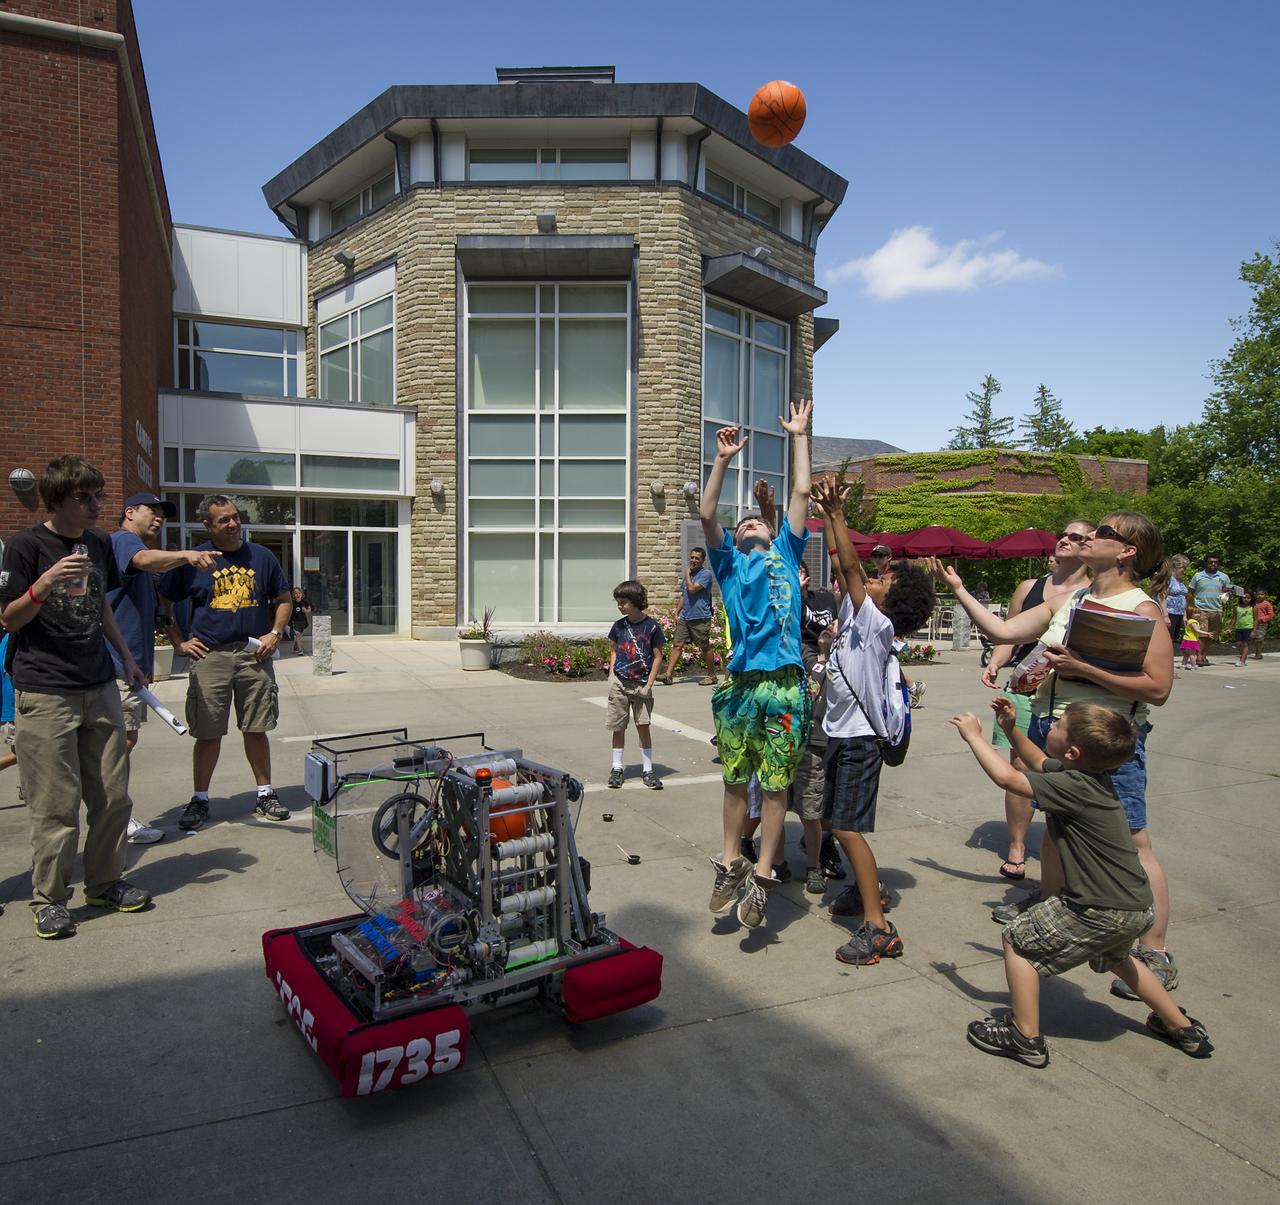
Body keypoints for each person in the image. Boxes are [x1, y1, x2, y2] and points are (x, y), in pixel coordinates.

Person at [930, 512, 1179, 999]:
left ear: (1126, 552)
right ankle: (1051, 913)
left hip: (1106, 739)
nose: (1088, 538)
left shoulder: (1141, 608)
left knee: (1133, 839)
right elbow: (1004, 633)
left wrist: (1083, 667)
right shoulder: (1074, 598)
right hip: (1055, 731)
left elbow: (1158, 688)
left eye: (1102, 533)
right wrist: (958, 587)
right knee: (1057, 826)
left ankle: (1155, 951)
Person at [951, 699, 1211, 1067]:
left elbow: (1008, 778)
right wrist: (1011, 729)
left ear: (1072, 750)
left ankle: (1024, 1035)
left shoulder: (1073, 785)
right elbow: (1038, 761)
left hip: (1097, 907)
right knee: (1120, 958)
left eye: (1058, 726)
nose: (1052, 727)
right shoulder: (1089, 776)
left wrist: (975, 737)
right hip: (1135, 905)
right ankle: (1181, 1027)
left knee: (1018, 940)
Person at [0, 456, 151, 938]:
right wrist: (44, 584)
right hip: (45, 690)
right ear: (57, 500)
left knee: (112, 795)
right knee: (55, 804)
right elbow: (9, 619)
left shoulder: (100, 543)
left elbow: (100, 605)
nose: (95, 506)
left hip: (98, 683)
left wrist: (125, 657)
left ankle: (105, 883)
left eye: (99, 496)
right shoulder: (26, 547)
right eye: (84, 497)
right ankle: (49, 899)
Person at [813, 478, 936, 963]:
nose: (872, 579)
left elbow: (848, 563)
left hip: (862, 740)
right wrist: (826, 515)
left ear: (890, 601)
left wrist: (838, 514)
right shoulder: (857, 615)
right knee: (830, 819)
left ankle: (878, 926)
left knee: (845, 827)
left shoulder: (877, 623)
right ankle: (870, 890)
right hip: (843, 735)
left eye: (883, 580)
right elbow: (841, 565)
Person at [702, 398, 813, 930]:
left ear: (771, 533)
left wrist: (798, 436)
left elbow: (800, 492)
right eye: (741, 522)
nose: (747, 523)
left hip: (787, 686)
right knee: (733, 778)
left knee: (774, 786)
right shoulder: (728, 565)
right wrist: (721, 459)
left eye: (754, 521)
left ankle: (764, 874)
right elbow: (706, 514)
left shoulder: (788, 552)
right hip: (742, 686)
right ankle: (729, 862)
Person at [158, 495, 293, 831]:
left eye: (235, 518)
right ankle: (200, 799)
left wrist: (275, 633)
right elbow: (163, 602)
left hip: (253, 655)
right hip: (209, 656)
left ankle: (265, 793)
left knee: (256, 727)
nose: (233, 525)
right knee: (208, 732)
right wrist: (179, 641)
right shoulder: (195, 560)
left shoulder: (261, 557)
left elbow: (284, 599)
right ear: (208, 525)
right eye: (224, 521)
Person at [980, 523, 1093, 880]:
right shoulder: (1031, 588)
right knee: (1022, 768)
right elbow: (1010, 632)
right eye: (1064, 533)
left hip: (1072, 694)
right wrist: (998, 660)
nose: (1065, 539)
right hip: (1026, 687)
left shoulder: (1093, 592)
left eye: (1077, 537)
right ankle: (1017, 846)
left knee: (1071, 772)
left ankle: (1066, 852)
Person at [108, 493, 219, 844]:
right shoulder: (124, 542)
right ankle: (114, 819)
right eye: (151, 512)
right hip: (115, 666)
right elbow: (144, 560)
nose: (158, 519)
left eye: (161, 515)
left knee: (123, 742)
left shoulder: (137, 551)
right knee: (117, 745)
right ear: (129, 513)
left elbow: (161, 607)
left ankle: (113, 815)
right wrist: (186, 555)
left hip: (131, 667)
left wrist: (177, 642)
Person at [605, 579, 665, 790]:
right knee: (618, 726)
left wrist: (650, 683)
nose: (620, 606)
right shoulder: (619, 626)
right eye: (618, 602)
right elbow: (614, 649)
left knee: (643, 726)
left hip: (641, 685)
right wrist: (612, 674)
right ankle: (617, 767)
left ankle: (648, 770)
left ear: (636, 601)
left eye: (624, 602)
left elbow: (658, 656)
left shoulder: (651, 627)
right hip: (620, 683)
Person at [660, 548, 716, 686]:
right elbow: (685, 595)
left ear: (703, 560)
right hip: (685, 616)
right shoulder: (689, 576)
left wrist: (686, 574)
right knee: (677, 644)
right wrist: (677, 612)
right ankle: (668, 675)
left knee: (704, 646)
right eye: (692, 557)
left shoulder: (705, 575)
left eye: (697, 558)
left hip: (700, 617)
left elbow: (692, 589)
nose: (693, 560)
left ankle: (712, 675)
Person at [1189, 554, 1231, 666]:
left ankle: (1204, 655)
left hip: (1216, 610)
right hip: (1201, 609)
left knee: (1211, 635)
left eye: (1216, 562)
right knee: (1202, 634)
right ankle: (1199, 657)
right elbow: (1190, 592)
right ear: (1206, 563)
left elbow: (1227, 592)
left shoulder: (1224, 577)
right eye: (1211, 562)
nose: (1213, 564)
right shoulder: (1198, 576)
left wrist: (1227, 594)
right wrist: (1191, 607)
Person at [1163, 555, 1189, 649]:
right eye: (1183, 568)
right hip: (1170, 612)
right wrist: (1165, 616)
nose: (1184, 571)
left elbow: (1184, 598)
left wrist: (1185, 615)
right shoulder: (1168, 580)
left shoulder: (1180, 581)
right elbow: (1162, 597)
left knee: (1173, 637)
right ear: (1175, 566)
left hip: (1179, 613)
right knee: (1167, 638)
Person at [288, 586, 312, 654]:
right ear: (293, 595)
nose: (297, 595)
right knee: (298, 635)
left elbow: (309, 609)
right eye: (296, 593)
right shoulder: (292, 603)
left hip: (303, 621)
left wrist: (306, 611)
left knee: (298, 636)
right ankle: (300, 650)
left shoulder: (304, 602)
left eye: (299, 593)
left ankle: (296, 645)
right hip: (295, 621)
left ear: (301, 594)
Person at [1233, 591, 1255, 667]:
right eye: (1244, 597)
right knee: (1238, 644)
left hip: (1248, 628)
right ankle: (1243, 656)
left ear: (1251, 599)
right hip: (1238, 628)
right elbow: (1234, 618)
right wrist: (1229, 628)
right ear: (1241, 598)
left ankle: (1242, 660)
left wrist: (1254, 631)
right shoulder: (1237, 608)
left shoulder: (1252, 608)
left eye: (1248, 598)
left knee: (1246, 644)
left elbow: (1256, 620)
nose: (1246, 599)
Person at [1251, 589, 1273, 660]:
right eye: (1258, 594)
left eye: (1261, 594)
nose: (1259, 596)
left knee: (1259, 639)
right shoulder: (1254, 603)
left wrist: (1261, 619)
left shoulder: (1267, 604)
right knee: (1254, 639)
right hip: (1253, 624)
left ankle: (1259, 654)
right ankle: (1258, 652)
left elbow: (1271, 615)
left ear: (1265, 595)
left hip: (1262, 624)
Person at [1179, 608, 1203, 672]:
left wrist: (1200, 627)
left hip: (1187, 639)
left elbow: (1194, 629)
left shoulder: (1190, 621)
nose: (1198, 614)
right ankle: (1193, 666)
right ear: (1190, 614)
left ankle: (1183, 665)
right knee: (1192, 654)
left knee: (1186, 654)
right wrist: (1207, 633)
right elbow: (1197, 630)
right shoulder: (1193, 621)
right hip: (1191, 640)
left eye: (1199, 613)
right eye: (1195, 613)